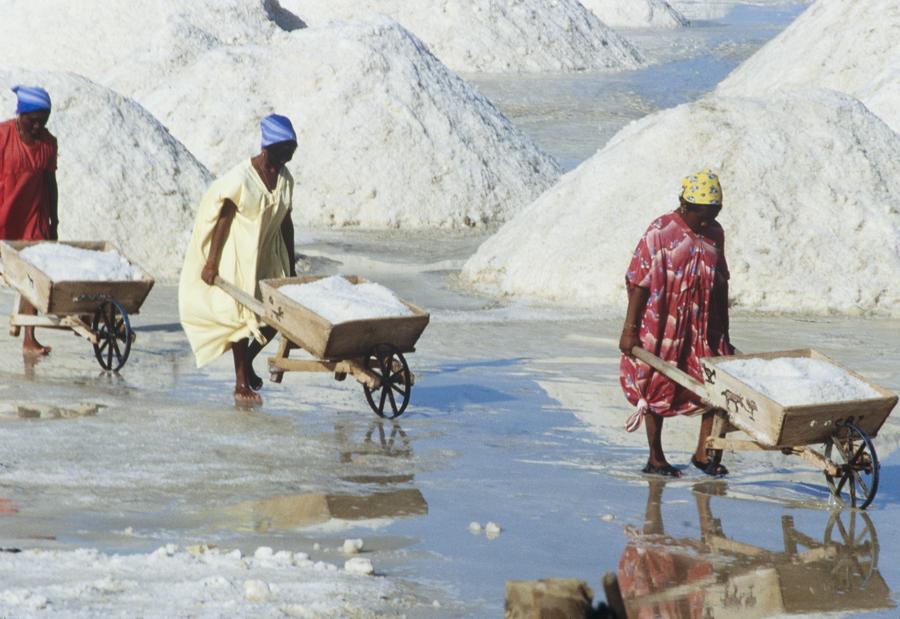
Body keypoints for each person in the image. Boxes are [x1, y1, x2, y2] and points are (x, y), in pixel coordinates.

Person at [619, 169, 733, 478]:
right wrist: (630, 330)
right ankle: (656, 457)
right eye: (704, 216)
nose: (708, 222)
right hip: (662, 324)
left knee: (713, 384)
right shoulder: (660, 231)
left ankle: (703, 452)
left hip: (702, 324)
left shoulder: (715, 233)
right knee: (657, 384)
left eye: (715, 215)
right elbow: (639, 282)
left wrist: (724, 331)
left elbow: (720, 283)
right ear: (686, 207)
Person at [179, 114, 298, 405]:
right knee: (241, 320)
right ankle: (241, 382)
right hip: (238, 259)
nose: (289, 157)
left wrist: (292, 266)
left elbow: (286, 222)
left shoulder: (284, 178)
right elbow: (223, 219)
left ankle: (249, 362)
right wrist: (211, 262)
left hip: (267, 258)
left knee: (274, 319)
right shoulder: (241, 178)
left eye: (292, 152)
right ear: (268, 147)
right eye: (285, 151)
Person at [0, 85, 59, 355]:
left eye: (42, 121)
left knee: (31, 275)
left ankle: (29, 338)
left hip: (32, 217)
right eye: (32, 120)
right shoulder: (3, 136)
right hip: (4, 210)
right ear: (20, 114)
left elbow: (50, 182)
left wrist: (54, 222)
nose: (37, 127)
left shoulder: (48, 143)